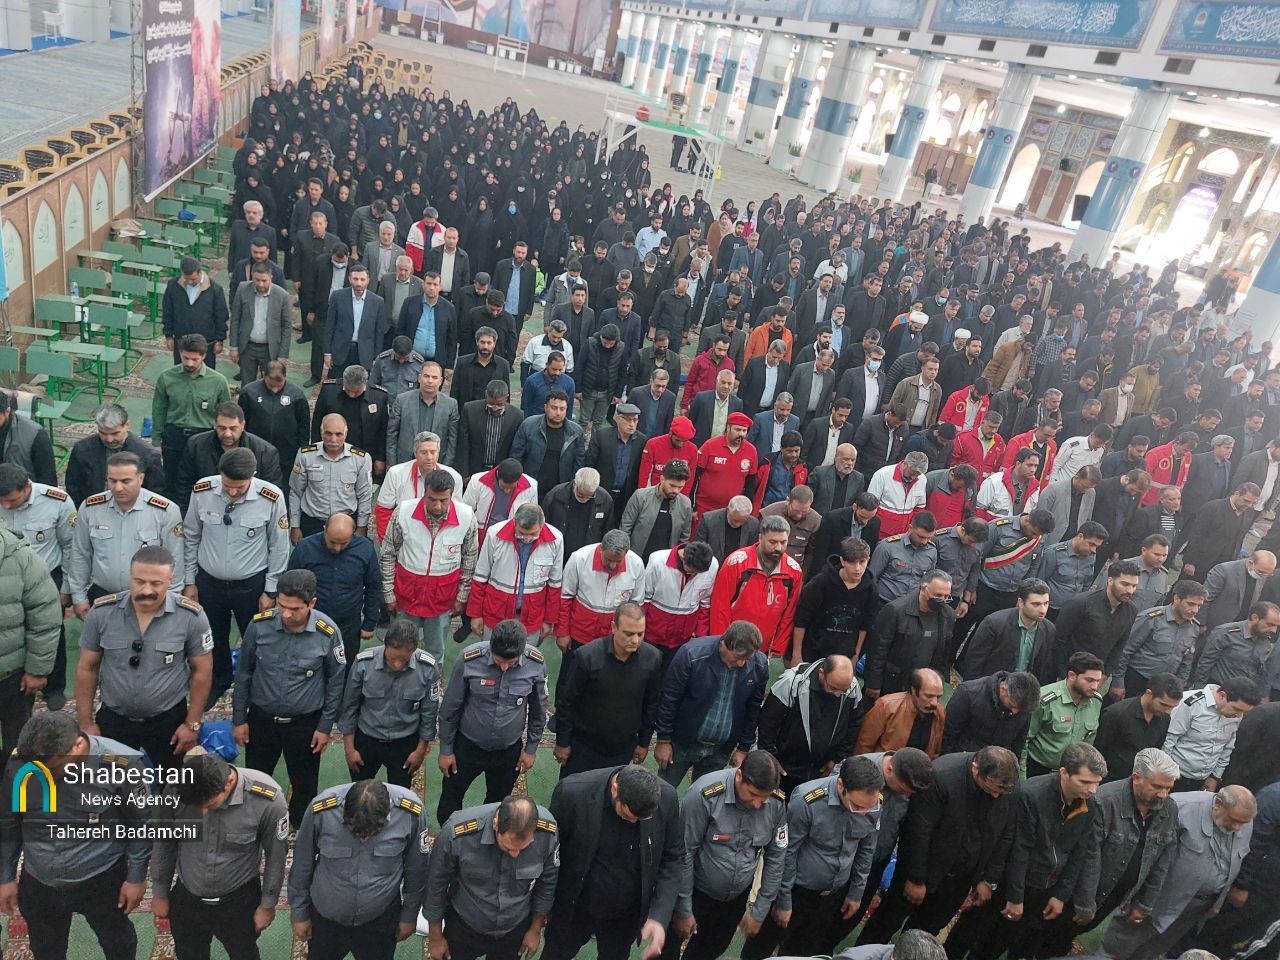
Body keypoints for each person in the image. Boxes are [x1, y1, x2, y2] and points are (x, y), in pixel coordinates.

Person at [0, 712, 152, 959]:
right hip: (39, 880)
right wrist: (5, 877)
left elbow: (141, 825)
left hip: (101, 878)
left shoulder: (122, 764)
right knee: (45, 948)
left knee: (118, 943)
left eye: (52, 769)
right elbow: (9, 821)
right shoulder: (22, 761)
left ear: (78, 745)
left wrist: (136, 878)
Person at [944, 742, 1105, 960]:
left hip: (1041, 889)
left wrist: (1060, 895)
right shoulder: (1032, 795)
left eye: (1097, 783)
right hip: (1007, 883)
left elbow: (1078, 852)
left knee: (997, 945)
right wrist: (1015, 897)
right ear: (1064, 773)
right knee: (968, 933)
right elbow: (1019, 848)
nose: (1092, 790)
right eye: (1085, 782)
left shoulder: (1089, 806)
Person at [858, 747, 1020, 944]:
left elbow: (1005, 834)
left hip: (960, 881)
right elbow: (918, 830)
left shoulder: (1006, 787)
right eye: (992, 788)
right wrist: (915, 878)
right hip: (924, 872)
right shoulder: (943, 776)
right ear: (976, 769)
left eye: (1001, 791)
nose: (996, 796)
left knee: (925, 936)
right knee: (885, 924)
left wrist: (988, 879)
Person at [74, 545, 212, 770]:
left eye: (156, 584)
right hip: (114, 721)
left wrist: (192, 724)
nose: (146, 590)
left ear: (170, 580)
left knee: (174, 783)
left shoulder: (191, 617)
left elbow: (203, 671)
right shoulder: (101, 613)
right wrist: (86, 723)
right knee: (111, 783)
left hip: (168, 721)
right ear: (130, 576)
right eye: (139, 581)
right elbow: (86, 668)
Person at [739, 755, 884, 960]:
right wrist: (784, 901)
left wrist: (856, 892)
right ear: (841, 785)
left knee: (804, 953)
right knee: (761, 948)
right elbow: (786, 852)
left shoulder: (872, 802)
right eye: (856, 806)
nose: (862, 813)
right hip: (797, 891)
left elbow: (867, 849)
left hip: (831, 896)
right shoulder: (807, 801)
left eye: (868, 807)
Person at [231, 568, 346, 827]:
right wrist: (239, 719)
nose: (285, 614)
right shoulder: (259, 626)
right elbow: (244, 673)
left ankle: (299, 825)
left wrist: (325, 727)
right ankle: (257, 824)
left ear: (312, 603)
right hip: (261, 721)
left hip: (305, 724)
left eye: (294, 609)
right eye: (281, 606)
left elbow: (335, 683)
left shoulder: (328, 633)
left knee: (304, 785)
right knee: (255, 782)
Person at [150, 752, 289, 960]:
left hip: (239, 902)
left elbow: (276, 858)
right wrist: (160, 893)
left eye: (208, 805)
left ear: (229, 782)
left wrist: (267, 905)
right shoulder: (178, 788)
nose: (201, 812)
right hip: (187, 898)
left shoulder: (268, 801)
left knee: (244, 954)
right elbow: (164, 843)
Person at [541, 764, 681, 960]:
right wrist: (543, 907)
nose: (634, 822)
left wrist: (659, 916)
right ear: (615, 789)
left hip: (624, 918)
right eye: (629, 815)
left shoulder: (667, 798)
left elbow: (672, 858)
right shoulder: (572, 793)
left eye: (641, 818)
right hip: (575, 908)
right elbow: (550, 853)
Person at [183, 447, 289, 705]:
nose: (232, 492)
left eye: (239, 488)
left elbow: (279, 546)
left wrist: (271, 590)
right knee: (213, 637)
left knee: (258, 639)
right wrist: (189, 581)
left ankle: (255, 685)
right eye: (227, 485)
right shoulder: (203, 490)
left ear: (253, 476)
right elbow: (190, 535)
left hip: (251, 585)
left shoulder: (271, 497)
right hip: (209, 582)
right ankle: (218, 680)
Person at [1100, 786, 1257, 960]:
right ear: (1218, 804)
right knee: (1114, 952)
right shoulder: (1180, 807)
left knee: (1147, 954)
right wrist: (1141, 902)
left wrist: (1217, 903)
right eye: (1234, 820)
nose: (1238, 828)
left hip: (1193, 910)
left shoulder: (1244, 820)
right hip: (1157, 902)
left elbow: (1234, 860)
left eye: (1243, 823)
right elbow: (1149, 858)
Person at [660, 752, 789, 960]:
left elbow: (776, 856)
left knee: (711, 949)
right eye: (753, 794)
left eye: (764, 798)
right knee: (667, 948)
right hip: (694, 890)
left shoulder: (775, 802)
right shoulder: (704, 795)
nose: (758, 804)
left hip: (735, 898)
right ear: (739, 776)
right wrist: (684, 909)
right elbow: (684, 854)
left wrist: (760, 910)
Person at [288, 779, 429, 959]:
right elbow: (302, 863)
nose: (363, 839)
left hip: (379, 919)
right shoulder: (322, 810)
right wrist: (299, 913)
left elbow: (417, 869)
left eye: (372, 833)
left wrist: (409, 916)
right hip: (326, 919)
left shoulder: (411, 813)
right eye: (355, 832)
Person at [436, 619, 549, 825]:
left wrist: (531, 749)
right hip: (467, 747)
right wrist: (446, 750)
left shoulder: (535, 664)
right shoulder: (470, 660)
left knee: (498, 805)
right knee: (450, 801)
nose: (504, 667)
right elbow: (450, 708)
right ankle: (447, 836)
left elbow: (539, 711)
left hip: (508, 752)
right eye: (499, 661)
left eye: (511, 662)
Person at [424, 796, 560, 960]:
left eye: (523, 848)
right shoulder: (457, 833)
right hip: (464, 925)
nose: (515, 854)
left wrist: (535, 929)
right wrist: (435, 937)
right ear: (495, 823)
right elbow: (435, 884)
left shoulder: (548, 832)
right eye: (509, 848)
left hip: (514, 928)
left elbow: (548, 882)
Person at [1069, 748, 1181, 942]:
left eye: (1168, 788)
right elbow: (1088, 857)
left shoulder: (1169, 809)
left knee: (1071, 937)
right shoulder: (1104, 802)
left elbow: (1162, 862)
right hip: (1079, 894)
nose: (1163, 794)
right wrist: (1085, 903)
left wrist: (1144, 904)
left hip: (1114, 897)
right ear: (1136, 778)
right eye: (1157, 786)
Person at [654, 620, 769, 787]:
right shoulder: (691, 654)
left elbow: (753, 710)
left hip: (720, 751)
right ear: (724, 644)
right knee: (662, 792)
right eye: (738, 657)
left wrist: (743, 748)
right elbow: (669, 699)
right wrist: (663, 740)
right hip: (681, 744)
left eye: (747, 658)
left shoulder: (759, 665)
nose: (742, 663)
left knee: (705, 798)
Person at [380, 468, 477, 662]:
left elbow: (470, 559)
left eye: (443, 500)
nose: (438, 506)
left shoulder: (466, 517)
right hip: (405, 595)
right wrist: (388, 593)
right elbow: (388, 553)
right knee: (400, 647)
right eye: (432, 499)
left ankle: (433, 679)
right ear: (424, 493)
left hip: (442, 599)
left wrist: (462, 596)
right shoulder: (404, 512)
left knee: (435, 652)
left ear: (452, 496)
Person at [554, 601, 661, 777]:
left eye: (640, 634)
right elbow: (566, 702)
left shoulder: (652, 658)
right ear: (614, 627)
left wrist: (644, 742)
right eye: (628, 633)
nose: (635, 640)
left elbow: (651, 703)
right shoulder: (587, 656)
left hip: (623, 748)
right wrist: (563, 742)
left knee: (611, 791)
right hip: (583, 746)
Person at [0, 464, 75, 710]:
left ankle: (54, 688)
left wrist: (67, 588)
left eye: (12, 500)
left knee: (51, 632)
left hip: (46, 578)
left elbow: (71, 547)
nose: (6, 506)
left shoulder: (57, 502)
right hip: (6, 578)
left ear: (27, 487)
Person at [337, 619, 440, 789]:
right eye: (393, 658)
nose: (398, 665)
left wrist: (420, 751)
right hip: (367, 739)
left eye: (404, 660)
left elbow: (429, 713)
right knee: (360, 792)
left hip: (405, 742)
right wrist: (349, 749)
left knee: (401, 793)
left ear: (414, 650)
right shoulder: (364, 664)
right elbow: (349, 708)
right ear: (384, 643)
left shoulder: (427, 668)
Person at [756, 655, 862, 798]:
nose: (838, 694)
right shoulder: (792, 682)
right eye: (833, 688)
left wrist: (838, 758)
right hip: (786, 766)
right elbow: (768, 721)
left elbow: (854, 724)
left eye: (843, 690)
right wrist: (770, 757)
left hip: (821, 770)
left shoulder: (852, 688)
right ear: (822, 673)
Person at [708, 516, 803, 657]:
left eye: (783, 542)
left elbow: (788, 617)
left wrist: (777, 651)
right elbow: (720, 607)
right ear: (760, 538)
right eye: (773, 542)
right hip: (732, 644)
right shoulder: (736, 563)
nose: (778, 548)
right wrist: (722, 643)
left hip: (763, 649)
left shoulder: (793, 572)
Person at [153, 333, 232, 499]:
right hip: (174, 436)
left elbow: (225, 414)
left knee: (203, 483)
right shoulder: (166, 377)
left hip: (204, 437)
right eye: (185, 358)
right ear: (180, 353)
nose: (189, 363)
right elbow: (159, 410)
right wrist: (156, 441)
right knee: (172, 481)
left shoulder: (218, 381)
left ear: (203, 356)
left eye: (194, 359)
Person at [174, 401, 285, 511]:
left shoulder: (265, 452)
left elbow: (271, 492)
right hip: (207, 509)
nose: (227, 434)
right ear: (215, 425)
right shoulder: (196, 445)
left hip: (250, 512)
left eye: (233, 428)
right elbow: (184, 486)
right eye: (222, 428)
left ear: (243, 425)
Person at [864, 571, 955, 697]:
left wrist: (940, 680)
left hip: (922, 687)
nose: (942, 601)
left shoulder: (947, 615)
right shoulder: (895, 611)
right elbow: (877, 651)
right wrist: (873, 683)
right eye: (938, 595)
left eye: (946, 597)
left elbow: (944, 654)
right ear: (923, 589)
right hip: (891, 682)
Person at [1111, 579, 1207, 697]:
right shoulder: (1151, 618)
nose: (1195, 610)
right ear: (1176, 598)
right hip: (1135, 680)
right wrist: (1118, 682)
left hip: (1163, 688)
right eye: (1191, 604)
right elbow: (1124, 650)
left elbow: (1186, 662)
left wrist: (1180, 688)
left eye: (1199, 605)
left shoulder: (1193, 627)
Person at [1163, 678, 1262, 792]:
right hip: (1175, 775)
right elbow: (1168, 740)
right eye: (1236, 709)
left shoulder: (1236, 713)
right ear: (1222, 695)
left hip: (1203, 780)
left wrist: (1215, 777)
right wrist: (1165, 773)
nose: (1239, 715)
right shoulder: (1191, 703)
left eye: (1243, 712)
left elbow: (1227, 747)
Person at [791, 536, 878, 665]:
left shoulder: (871, 590)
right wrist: (796, 654)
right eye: (852, 562)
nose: (857, 568)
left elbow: (865, 626)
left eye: (862, 562)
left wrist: (855, 656)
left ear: (868, 560)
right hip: (813, 651)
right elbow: (801, 619)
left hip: (844, 656)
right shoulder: (820, 583)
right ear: (842, 561)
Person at [290, 414, 374, 540]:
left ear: (345, 434)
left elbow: (364, 495)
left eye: (338, 434)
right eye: (328, 433)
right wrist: (295, 526)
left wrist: (361, 527)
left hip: (346, 523)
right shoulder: (305, 455)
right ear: (321, 432)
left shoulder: (361, 458)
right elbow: (296, 492)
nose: (333, 439)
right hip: (312, 523)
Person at [63, 402, 164, 508]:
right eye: (103, 433)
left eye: (115, 433)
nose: (109, 439)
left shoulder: (148, 454)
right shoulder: (82, 449)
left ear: (127, 425)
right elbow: (73, 485)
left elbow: (155, 492)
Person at [1023, 651, 1106, 777]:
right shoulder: (1045, 700)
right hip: (1039, 770)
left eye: (1098, 681)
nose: (1095, 686)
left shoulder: (1096, 701)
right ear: (1072, 675)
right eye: (1089, 680)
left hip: (1072, 773)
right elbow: (1024, 740)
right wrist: (1022, 778)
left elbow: (1089, 741)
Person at [238, 361, 312, 495]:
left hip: (286, 454)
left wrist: (301, 454)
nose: (275, 389)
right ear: (263, 375)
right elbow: (242, 423)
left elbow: (304, 428)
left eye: (279, 385)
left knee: (282, 490)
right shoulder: (249, 392)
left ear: (285, 377)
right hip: (256, 451)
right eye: (271, 385)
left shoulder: (297, 395)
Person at [1095, 673, 1183, 782]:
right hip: (1109, 781)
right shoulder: (1116, 714)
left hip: (1141, 782)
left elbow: (1155, 751)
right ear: (1148, 693)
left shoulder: (1164, 718)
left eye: (1172, 707)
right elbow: (1098, 751)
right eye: (1163, 704)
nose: (1168, 711)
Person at [942, 670, 1041, 756]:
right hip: (963, 758)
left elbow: (1018, 744)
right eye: (1012, 705)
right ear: (1003, 689)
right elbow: (948, 735)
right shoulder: (968, 694)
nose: (1015, 712)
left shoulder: (1024, 707)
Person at [311, 365, 391, 472]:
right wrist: (315, 450)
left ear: (365, 383)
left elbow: (383, 429)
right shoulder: (329, 390)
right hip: (333, 448)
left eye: (356, 391)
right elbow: (317, 421)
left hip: (364, 451)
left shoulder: (379, 396)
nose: (352, 395)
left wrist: (380, 458)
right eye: (348, 390)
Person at [854, 668, 946, 756]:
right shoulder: (886, 706)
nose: (935, 703)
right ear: (913, 690)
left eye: (938, 697)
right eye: (929, 696)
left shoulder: (940, 713)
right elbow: (864, 745)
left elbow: (935, 752)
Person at [229, 261, 293, 384]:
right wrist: (233, 347)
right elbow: (235, 319)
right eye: (257, 280)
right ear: (252, 276)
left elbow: (286, 327)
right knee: (247, 383)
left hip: (270, 349)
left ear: (271, 278)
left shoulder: (282, 295)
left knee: (269, 383)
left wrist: (283, 354)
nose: (260, 284)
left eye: (264, 280)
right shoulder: (242, 289)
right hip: (247, 347)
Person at [387, 362, 459, 467]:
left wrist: (445, 467)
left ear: (441, 381)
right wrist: (391, 464)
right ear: (419, 378)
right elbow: (392, 435)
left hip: (436, 463)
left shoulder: (451, 404)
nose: (430, 381)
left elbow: (452, 440)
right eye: (426, 376)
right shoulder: (402, 400)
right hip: (405, 462)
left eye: (434, 377)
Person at [162, 256, 229, 368]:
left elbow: (221, 316)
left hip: (206, 342)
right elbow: (168, 311)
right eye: (186, 278)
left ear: (199, 272)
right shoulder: (173, 285)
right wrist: (168, 335)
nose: (189, 281)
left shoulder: (215, 289)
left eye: (193, 279)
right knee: (181, 372)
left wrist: (219, 340)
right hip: (181, 340)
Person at [1194, 601, 1280, 685]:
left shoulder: (1266, 640)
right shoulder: (1226, 633)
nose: (1274, 630)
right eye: (1270, 624)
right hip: (1219, 688)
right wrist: (1200, 688)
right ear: (1255, 618)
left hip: (1246, 691)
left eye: (1277, 626)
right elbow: (1205, 663)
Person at [323, 261, 387, 374]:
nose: (359, 283)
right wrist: (327, 352)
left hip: (364, 355)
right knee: (335, 383)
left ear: (368, 280)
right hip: (340, 352)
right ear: (349, 279)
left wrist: (375, 358)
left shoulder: (377, 302)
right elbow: (330, 326)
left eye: (362, 279)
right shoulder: (337, 297)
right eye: (355, 279)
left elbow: (379, 333)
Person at [458, 382, 525, 481]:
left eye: (499, 404)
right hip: (474, 470)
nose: (495, 408)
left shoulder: (517, 415)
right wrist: (464, 473)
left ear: (506, 398)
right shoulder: (470, 410)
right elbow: (463, 444)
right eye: (491, 403)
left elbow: (516, 448)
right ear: (486, 395)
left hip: (501, 472)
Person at [868, 512, 940, 603]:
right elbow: (872, 577)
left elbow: (928, 580)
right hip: (884, 601)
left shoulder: (932, 551)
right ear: (910, 528)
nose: (924, 542)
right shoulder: (887, 547)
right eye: (921, 537)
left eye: (929, 538)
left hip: (912, 604)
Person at [542, 469, 615, 558]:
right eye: (580, 495)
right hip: (559, 552)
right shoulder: (556, 495)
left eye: (589, 496)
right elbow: (545, 525)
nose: (584, 499)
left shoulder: (605, 499)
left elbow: (608, 529)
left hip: (588, 555)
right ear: (574, 483)